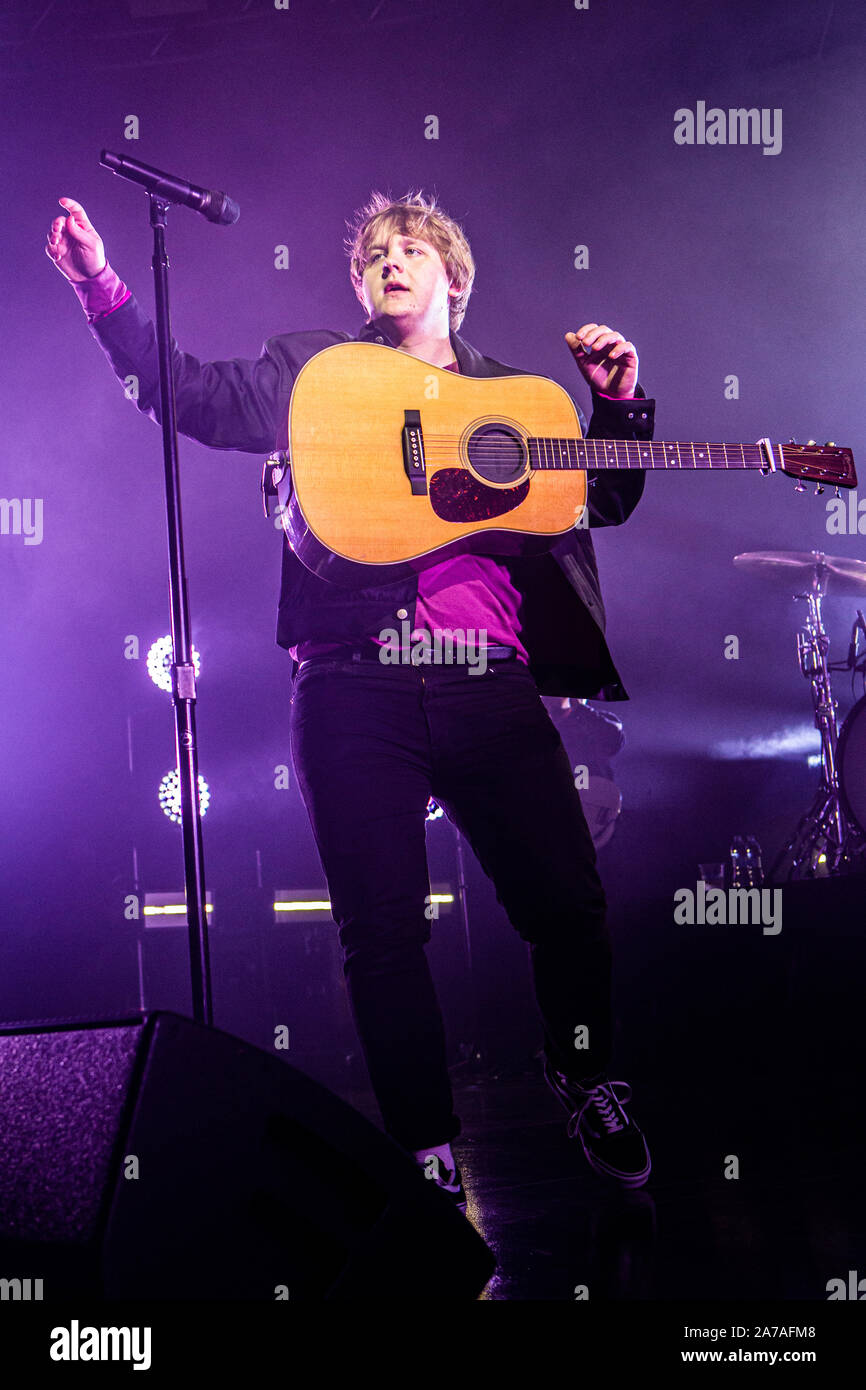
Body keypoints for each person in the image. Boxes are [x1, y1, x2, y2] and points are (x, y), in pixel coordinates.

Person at [46, 188, 654, 1203]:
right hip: (349, 677)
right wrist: (100, 287)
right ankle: (422, 1144)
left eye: (410, 247)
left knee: (566, 903)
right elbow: (188, 393)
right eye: (373, 253)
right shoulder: (315, 373)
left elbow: (607, 493)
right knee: (380, 928)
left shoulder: (517, 397)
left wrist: (619, 403)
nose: (388, 262)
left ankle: (587, 1075)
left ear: (453, 277)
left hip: (485, 678)